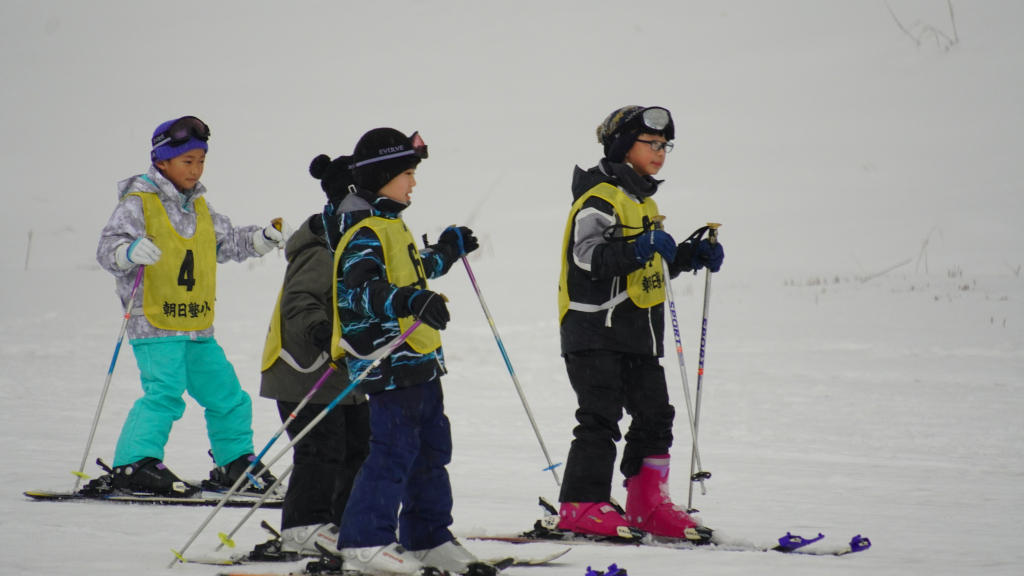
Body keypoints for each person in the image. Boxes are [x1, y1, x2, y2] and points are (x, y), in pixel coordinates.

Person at [325, 128, 492, 575]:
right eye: (407, 173)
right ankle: (364, 540)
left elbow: (414, 270)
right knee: (394, 448)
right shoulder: (363, 232)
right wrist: (409, 301)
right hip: (387, 359)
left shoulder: (390, 225)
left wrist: (446, 251)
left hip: (417, 360)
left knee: (431, 447)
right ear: (381, 175)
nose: (413, 183)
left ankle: (427, 536)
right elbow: (359, 291)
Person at [92, 116, 286, 497]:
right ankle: (135, 463)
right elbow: (106, 250)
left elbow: (226, 242)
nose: (195, 170)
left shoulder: (199, 206)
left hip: (197, 324)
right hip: (155, 322)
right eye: (187, 161)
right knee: (164, 393)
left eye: (201, 161)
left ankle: (235, 462)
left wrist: (260, 240)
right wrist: (127, 252)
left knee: (227, 395)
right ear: (162, 161)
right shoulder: (138, 203)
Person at [555, 106, 725, 541]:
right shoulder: (600, 197)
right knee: (600, 416)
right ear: (621, 146)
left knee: (655, 414)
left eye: (665, 145)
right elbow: (587, 255)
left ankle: (647, 505)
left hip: (638, 333)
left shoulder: (642, 201)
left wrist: (685, 256)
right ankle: (581, 504)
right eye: (650, 144)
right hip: (594, 329)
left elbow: (643, 267)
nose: (660, 152)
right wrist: (642, 245)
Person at [258, 154, 370, 554]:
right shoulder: (323, 246)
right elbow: (299, 298)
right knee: (321, 449)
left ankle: (338, 523)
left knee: (360, 443)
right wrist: (322, 330)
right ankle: (303, 527)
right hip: (302, 367)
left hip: (342, 370)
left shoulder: (358, 240)